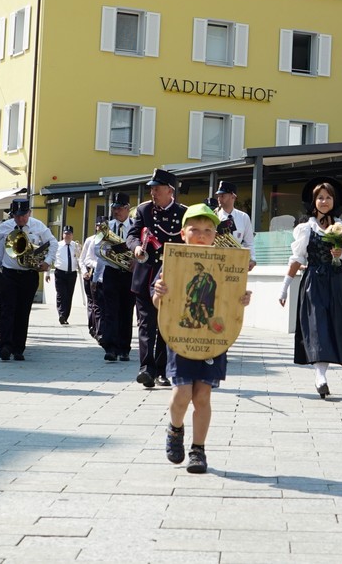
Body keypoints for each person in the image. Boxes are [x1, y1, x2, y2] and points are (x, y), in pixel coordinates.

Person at [152, 203, 251, 474]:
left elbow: (230, 299)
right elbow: (158, 302)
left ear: (215, 235)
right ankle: (175, 429)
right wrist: (159, 292)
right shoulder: (173, 262)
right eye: (194, 229)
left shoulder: (225, 263)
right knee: (182, 394)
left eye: (208, 230)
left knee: (202, 396)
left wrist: (242, 298)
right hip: (181, 336)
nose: (201, 235)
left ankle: (198, 450)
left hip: (211, 339)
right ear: (183, 233)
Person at [279, 176, 342, 398]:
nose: (324, 201)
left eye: (328, 197)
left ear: (334, 201)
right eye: (320, 198)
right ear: (313, 201)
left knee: (334, 326)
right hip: (314, 282)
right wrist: (284, 287)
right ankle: (320, 376)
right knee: (317, 326)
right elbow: (297, 259)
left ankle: (322, 374)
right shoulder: (305, 228)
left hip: (337, 282)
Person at [126, 168, 187, 388]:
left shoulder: (183, 213)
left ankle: (162, 371)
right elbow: (132, 235)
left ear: (170, 191)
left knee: (165, 325)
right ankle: (146, 369)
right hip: (146, 273)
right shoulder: (143, 210)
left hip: (171, 275)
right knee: (145, 324)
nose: (153, 193)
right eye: (151, 189)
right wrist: (135, 248)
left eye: (157, 189)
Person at [0, 198, 53, 360]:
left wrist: (47, 262)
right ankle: (5, 345)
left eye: (23, 215)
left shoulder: (38, 226)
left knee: (23, 312)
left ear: (29, 213)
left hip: (29, 274)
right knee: (7, 310)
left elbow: (52, 243)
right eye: (17, 216)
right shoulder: (6, 226)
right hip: (9, 273)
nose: (21, 219)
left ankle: (18, 348)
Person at [94, 193, 136, 363]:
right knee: (110, 311)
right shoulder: (107, 227)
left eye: (119, 208)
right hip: (111, 272)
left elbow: (142, 248)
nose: (116, 211)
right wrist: (111, 255)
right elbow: (97, 249)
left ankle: (124, 349)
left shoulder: (135, 227)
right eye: (114, 208)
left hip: (129, 275)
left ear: (127, 208)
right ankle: (110, 348)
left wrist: (135, 260)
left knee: (126, 311)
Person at [212, 181, 255, 270]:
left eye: (222, 195)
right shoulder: (213, 216)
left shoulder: (243, 217)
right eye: (218, 196)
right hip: (217, 262)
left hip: (237, 263)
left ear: (233, 196)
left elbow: (249, 242)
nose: (219, 198)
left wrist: (252, 259)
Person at [51, 225, 81, 326]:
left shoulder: (76, 245)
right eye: (65, 234)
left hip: (72, 274)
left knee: (69, 295)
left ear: (72, 235)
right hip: (60, 273)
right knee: (61, 294)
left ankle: (65, 317)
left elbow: (79, 258)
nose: (67, 236)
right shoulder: (57, 245)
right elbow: (51, 258)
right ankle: (61, 314)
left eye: (69, 234)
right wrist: (47, 273)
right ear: (62, 235)